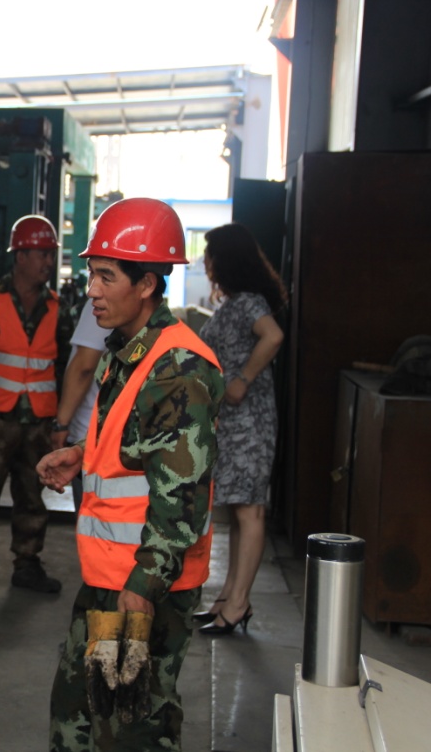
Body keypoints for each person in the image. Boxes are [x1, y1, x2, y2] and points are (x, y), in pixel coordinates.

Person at [36, 198, 223, 752]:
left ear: (146, 284)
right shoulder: (132, 351)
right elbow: (143, 449)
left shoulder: (177, 370)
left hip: (141, 585)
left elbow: (182, 496)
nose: (92, 290)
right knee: (80, 717)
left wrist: (143, 589)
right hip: (112, 577)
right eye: (92, 274)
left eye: (106, 277)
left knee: (129, 731)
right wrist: (83, 455)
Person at [0, 214, 74, 593]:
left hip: (39, 422)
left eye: (51, 254)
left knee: (32, 496)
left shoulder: (60, 308)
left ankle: (28, 564)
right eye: (43, 253)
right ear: (21, 256)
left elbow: (67, 367)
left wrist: (61, 422)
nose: (49, 262)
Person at [193, 222, 287, 636]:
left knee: (250, 510)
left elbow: (273, 336)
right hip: (232, 422)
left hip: (250, 420)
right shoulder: (234, 302)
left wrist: (243, 379)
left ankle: (239, 603)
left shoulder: (249, 302)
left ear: (226, 259)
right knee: (238, 509)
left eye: (210, 255)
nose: (205, 262)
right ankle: (227, 597)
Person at [51, 298, 106, 510]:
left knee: (91, 519)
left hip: (89, 434)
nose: (94, 288)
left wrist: (61, 424)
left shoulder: (101, 301)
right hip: (105, 434)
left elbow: (84, 366)